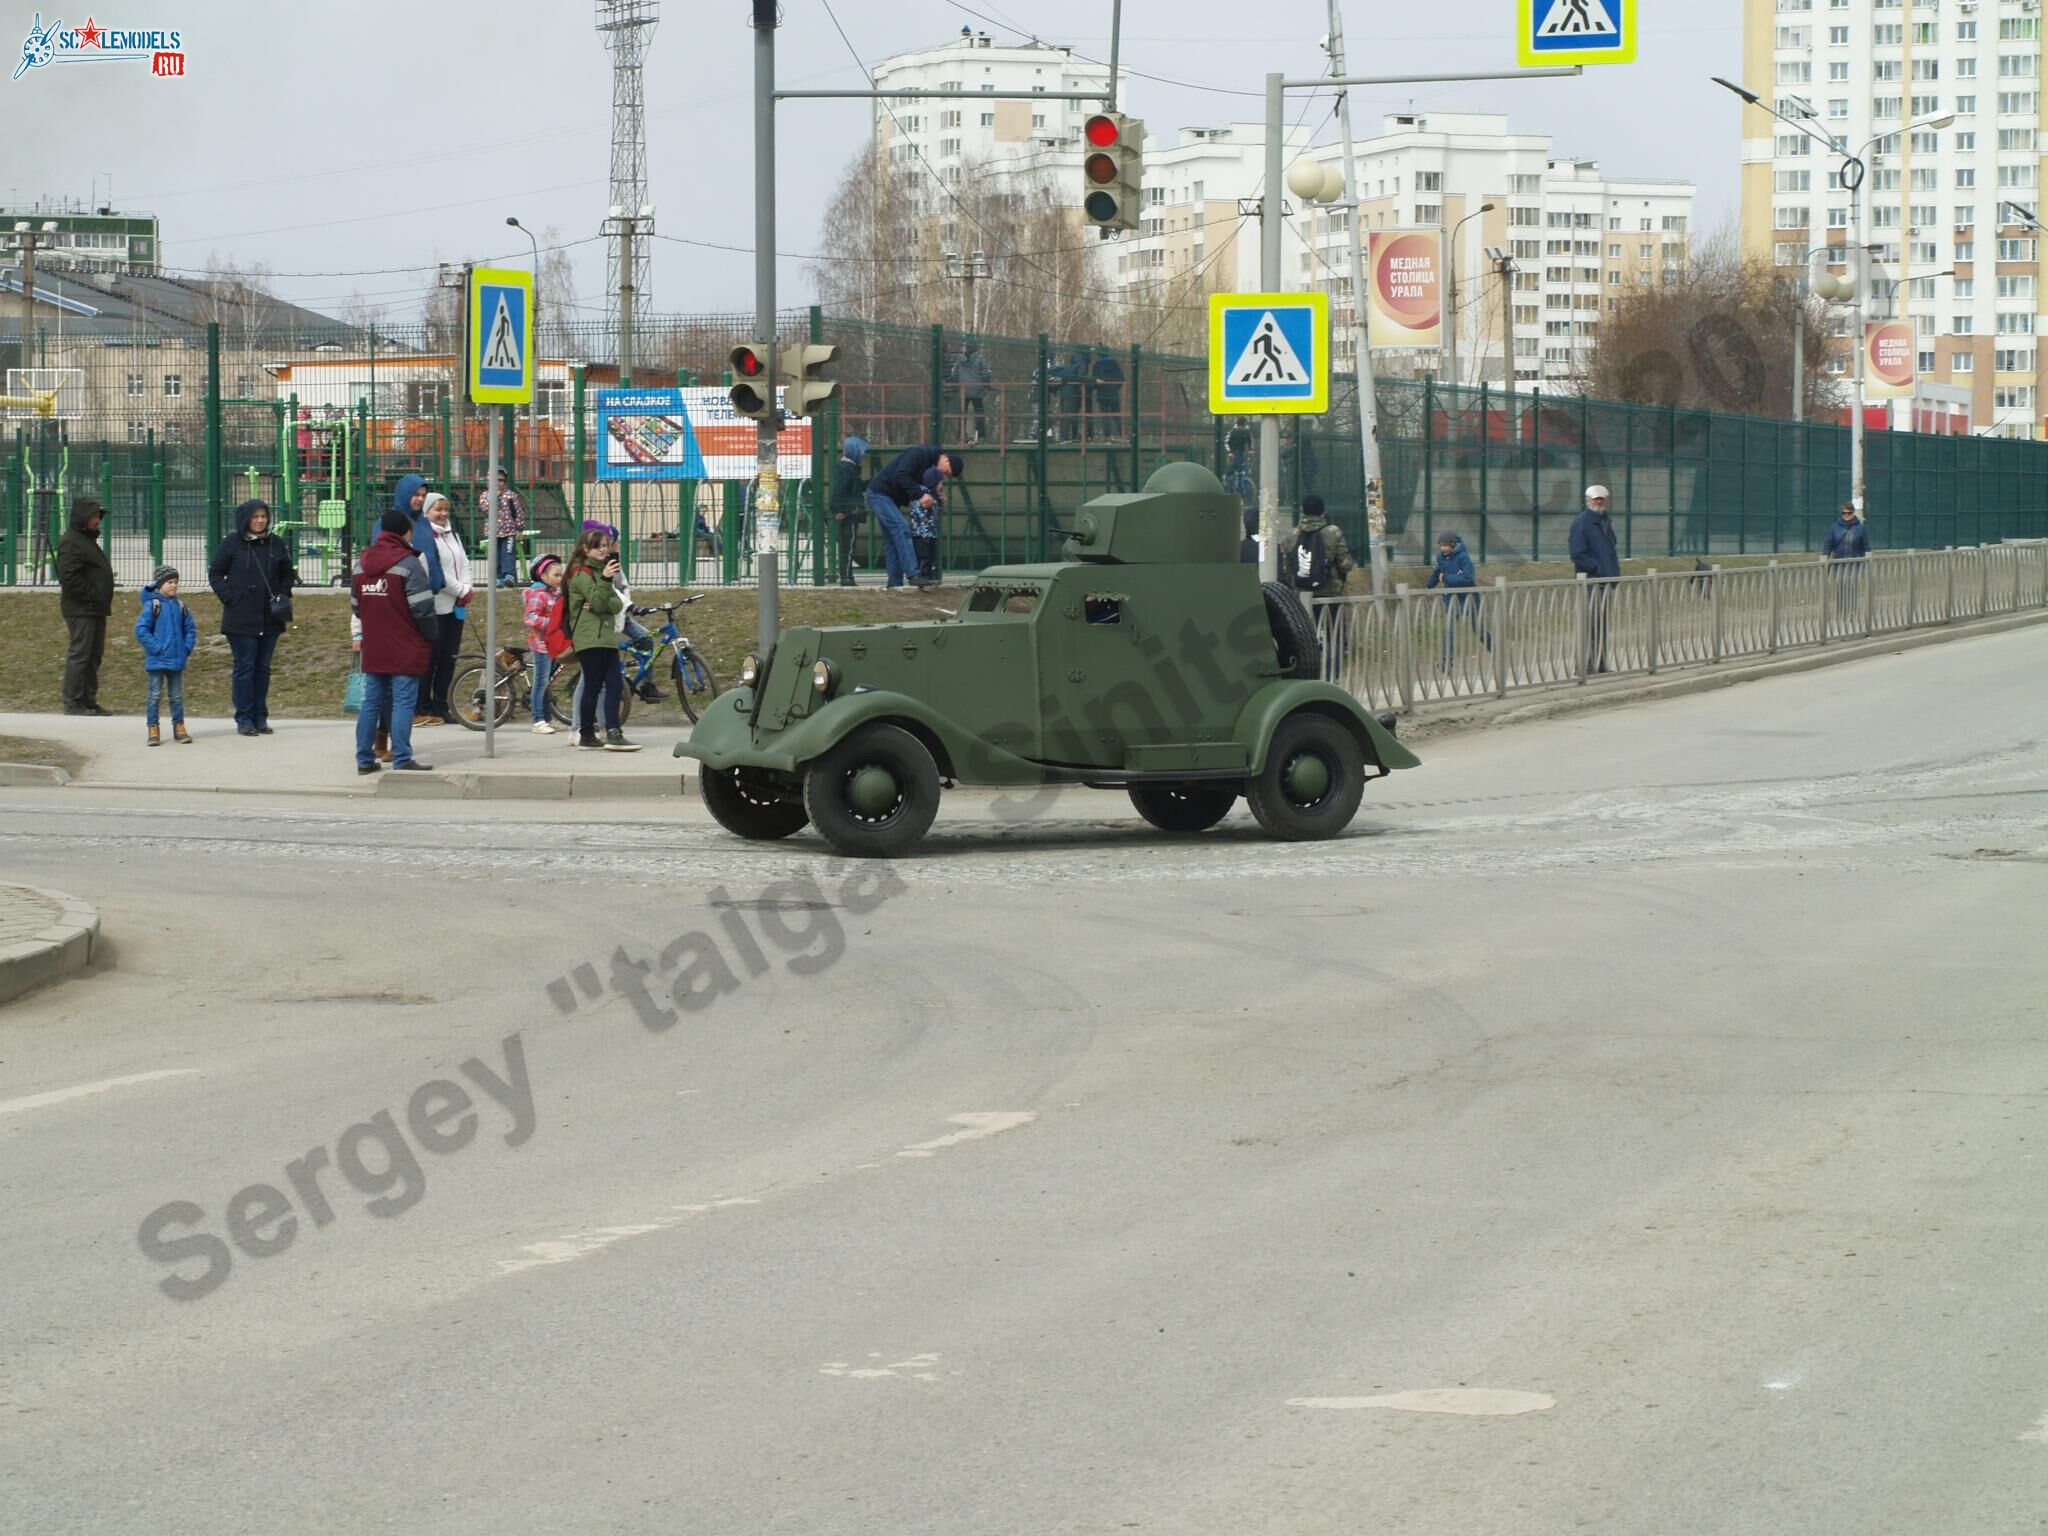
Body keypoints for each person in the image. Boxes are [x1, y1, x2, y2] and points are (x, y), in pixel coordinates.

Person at [350, 508, 436, 775]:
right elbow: (422, 608)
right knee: (403, 702)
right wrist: (432, 634)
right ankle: (402, 758)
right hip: (405, 645)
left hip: (374, 645)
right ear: (404, 532)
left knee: (371, 702)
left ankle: (364, 760)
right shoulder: (409, 563)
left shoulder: (361, 563)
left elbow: (356, 606)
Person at [207, 497, 297, 736]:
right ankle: (244, 718)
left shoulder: (275, 543)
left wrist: (282, 593)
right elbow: (215, 573)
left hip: (270, 617)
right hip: (240, 618)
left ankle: (260, 717)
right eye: (255, 517)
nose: (260, 521)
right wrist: (230, 597)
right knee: (245, 667)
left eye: (263, 516)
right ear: (245, 519)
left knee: (263, 668)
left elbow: (288, 573)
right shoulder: (231, 543)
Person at [561, 527, 641, 752]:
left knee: (615, 684)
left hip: (605, 636)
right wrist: (604, 587)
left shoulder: (601, 573)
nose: (603, 550)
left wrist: (602, 594)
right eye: (597, 546)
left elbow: (615, 604)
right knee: (594, 686)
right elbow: (598, 602)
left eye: (606, 545)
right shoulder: (580, 574)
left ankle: (606, 732)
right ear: (585, 549)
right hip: (589, 638)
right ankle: (592, 733)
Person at [865, 446, 959, 591]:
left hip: (887, 496)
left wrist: (936, 495)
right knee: (901, 529)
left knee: (893, 541)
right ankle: (913, 574)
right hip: (880, 494)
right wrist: (921, 495)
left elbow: (920, 486)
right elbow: (901, 475)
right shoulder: (919, 453)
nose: (943, 474)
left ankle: (894, 584)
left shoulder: (929, 463)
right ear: (946, 459)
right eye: (946, 471)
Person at [56, 496, 115, 716]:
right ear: (82, 517)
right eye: (93, 516)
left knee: (94, 654)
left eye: (99, 515)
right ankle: (73, 701)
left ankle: (89, 700)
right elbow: (69, 576)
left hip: (95, 607)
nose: (97, 520)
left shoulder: (86, 540)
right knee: (80, 654)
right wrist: (90, 596)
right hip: (81, 608)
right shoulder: (71, 541)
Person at [418, 492, 472, 725]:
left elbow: (465, 562)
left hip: (456, 606)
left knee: (449, 658)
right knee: (432, 657)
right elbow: (435, 569)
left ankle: (442, 704)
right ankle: (423, 705)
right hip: (438, 603)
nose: (442, 514)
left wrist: (467, 588)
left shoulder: (453, 534)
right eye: (437, 510)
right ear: (427, 511)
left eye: (445, 510)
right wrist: (461, 590)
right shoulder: (426, 536)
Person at [134, 564, 196, 745]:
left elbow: (190, 629)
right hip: (158, 659)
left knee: (176, 696)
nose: (174, 585)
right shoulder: (152, 605)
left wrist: (186, 648)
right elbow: (141, 630)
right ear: (160, 584)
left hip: (177, 659)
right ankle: (153, 728)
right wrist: (157, 648)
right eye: (169, 582)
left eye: (176, 582)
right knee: (154, 695)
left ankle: (179, 726)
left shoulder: (180, 606)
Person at [1568, 483, 1621, 674]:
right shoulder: (1582, 522)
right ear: (1587, 500)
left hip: (1604, 582)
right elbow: (1577, 553)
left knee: (1601, 625)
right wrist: (1598, 569)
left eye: (1601, 499)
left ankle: (1599, 662)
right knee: (1589, 624)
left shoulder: (1605, 521)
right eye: (1595, 499)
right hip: (1591, 582)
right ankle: (1585, 664)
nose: (1598, 502)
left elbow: (1610, 549)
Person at [1278, 494, 1354, 603]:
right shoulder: (1333, 532)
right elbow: (1346, 564)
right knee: (1329, 620)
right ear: (1323, 512)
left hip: (1301, 594)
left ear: (1303, 512)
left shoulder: (1292, 534)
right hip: (1329, 593)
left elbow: (1286, 567)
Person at [522, 554, 568, 734]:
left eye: (561, 575)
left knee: (547, 683)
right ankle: (538, 720)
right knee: (540, 683)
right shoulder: (539, 594)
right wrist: (553, 623)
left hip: (552, 645)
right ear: (543, 577)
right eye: (556, 575)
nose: (560, 579)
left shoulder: (554, 594)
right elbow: (530, 618)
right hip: (541, 646)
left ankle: (547, 718)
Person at [1427, 532, 1488, 664]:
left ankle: (1495, 649)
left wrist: (1446, 578)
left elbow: (1467, 578)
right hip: (1452, 598)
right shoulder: (1441, 557)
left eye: (1446, 546)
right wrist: (1430, 585)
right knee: (1448, 628)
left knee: (1478, 629)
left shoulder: (1463, 558)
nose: (1443, 548)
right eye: (1441, 545)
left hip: (1469, 598)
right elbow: (1438, 571)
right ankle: (1446, 660)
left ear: (1453, 545)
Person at [830, 436, 869, 586]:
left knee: (847, 545)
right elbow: (841, 490)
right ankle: (846, 577)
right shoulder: (848, 469)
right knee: (848, 545)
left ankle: (847, 576)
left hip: (848, 511)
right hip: (849, 512)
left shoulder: (847, 467)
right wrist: (840, 509)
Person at [479, 470, 527, 588]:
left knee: (508, 553)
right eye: (494, 480)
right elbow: (485, 510)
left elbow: (517, 512)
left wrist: (520, 528)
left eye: (501, 480)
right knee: (495, 555)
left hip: (508, 531)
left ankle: (508, 576)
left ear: (504, 482)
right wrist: (494, 498)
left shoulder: (510, 495)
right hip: (493, 532)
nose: (497, 483)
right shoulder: (485, 496)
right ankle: (498, 578)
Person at [909, 464, 944, 585]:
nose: (941, 486)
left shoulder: (933, 496)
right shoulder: (922, 495)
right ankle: (922, 576)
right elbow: (920, 514)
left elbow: (936, 512)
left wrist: (940, 501)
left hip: (930, 533)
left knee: (930, 556)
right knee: (923, 556)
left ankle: (928, 575)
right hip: (922, 534)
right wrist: (925, 533)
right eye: (940, 483)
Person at [950, 346, 991, 444]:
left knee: (962, 415)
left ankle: (961, 436)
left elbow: (954, 374)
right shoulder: (980, 359)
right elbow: (986, 373)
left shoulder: (959, 360)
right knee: (979, 414)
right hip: (977, 390)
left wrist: (957, 383)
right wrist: (986, 384)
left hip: (963, 390)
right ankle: (981, 436)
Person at [1088, 349, 1125, 441]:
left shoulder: (1097, 365)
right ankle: (1123, 434)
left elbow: (1095, 379)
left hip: (1102, 394)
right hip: (1114, 394)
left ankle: (1107, 436)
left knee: (1105, 415)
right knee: (1117, 415)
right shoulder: (1115, 364)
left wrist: (1097, 387)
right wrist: (1115, 387)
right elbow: (1121, 378)